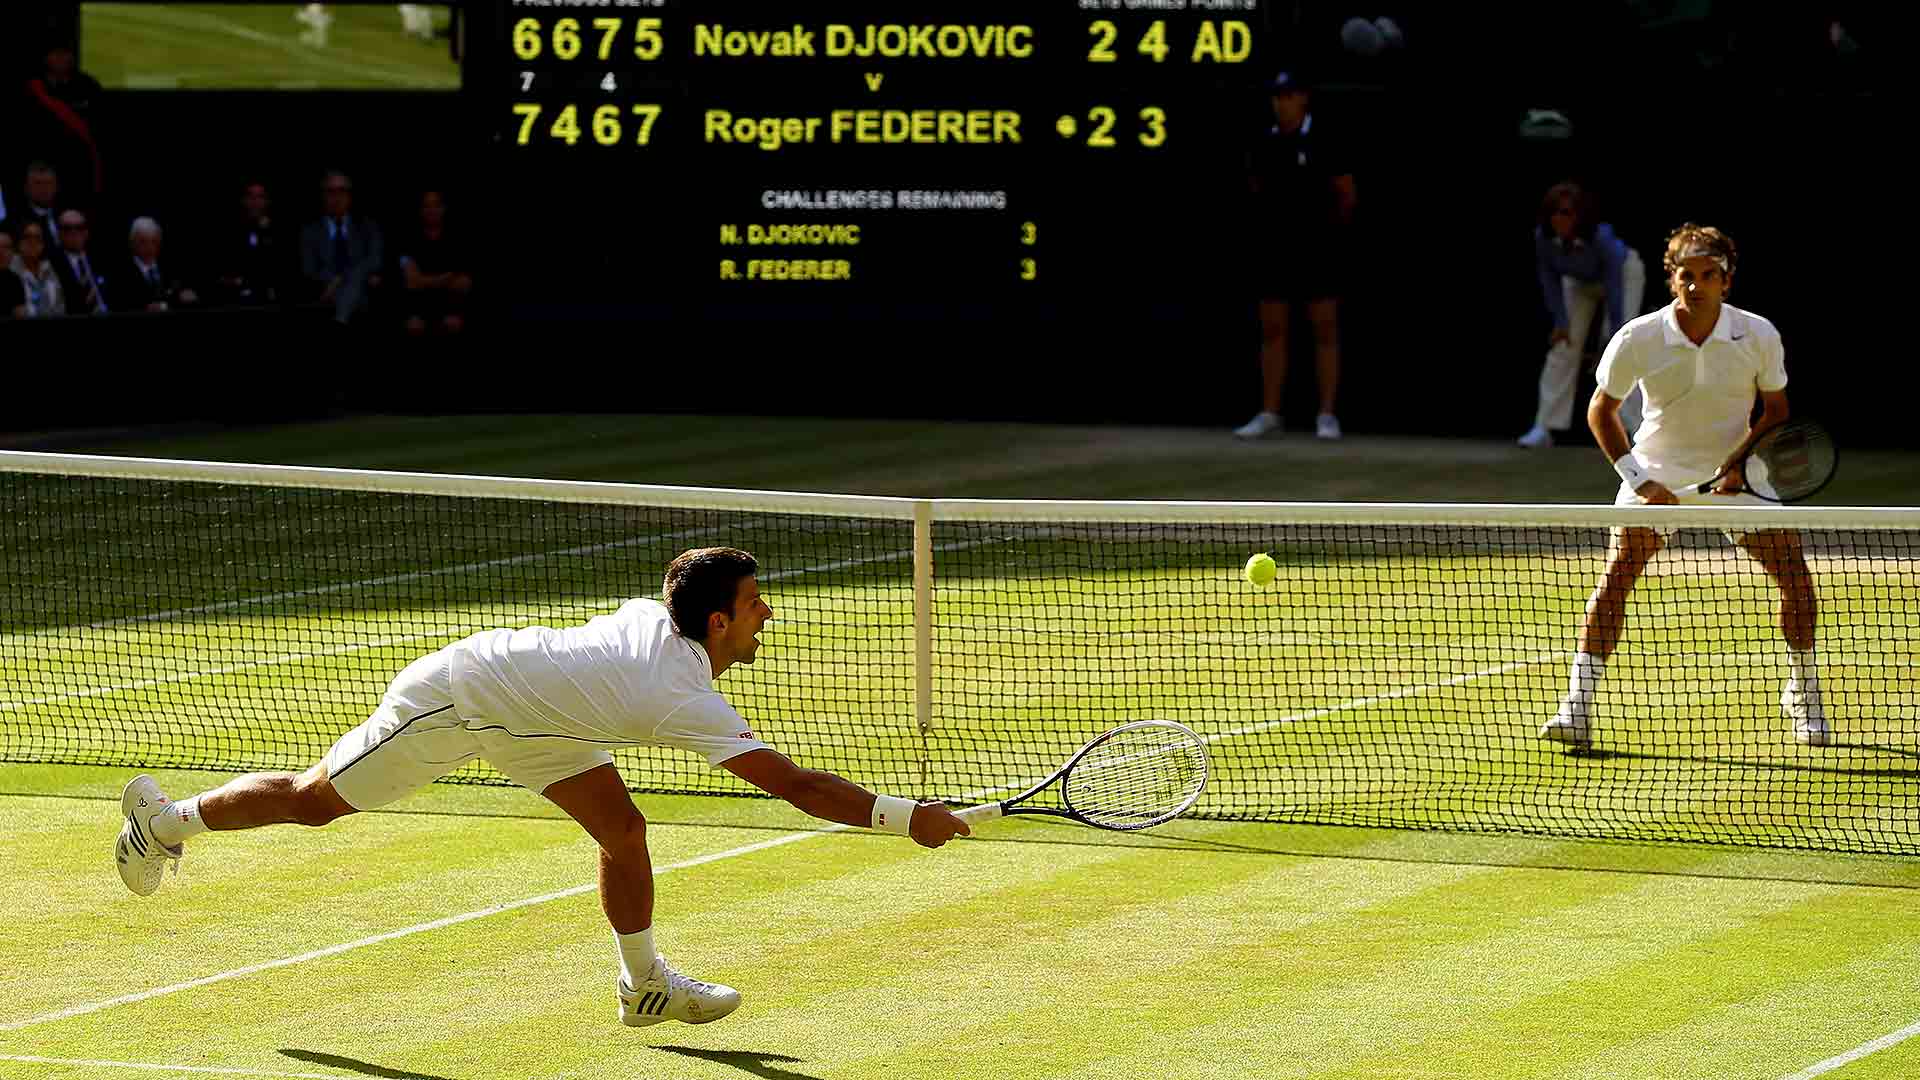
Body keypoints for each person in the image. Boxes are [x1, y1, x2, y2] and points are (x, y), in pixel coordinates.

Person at [114, 547, 973, 1028]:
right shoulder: (677, 691)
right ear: (716, 623)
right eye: (755, 604)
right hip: (459, 700)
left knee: (624, 833)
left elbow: (682, 575)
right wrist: (909, 820)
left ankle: (643, 987)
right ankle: (166, 821)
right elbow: (796, 787)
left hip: (541, 723)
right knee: (313, 803)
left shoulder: (668, 622)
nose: (767, 615)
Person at [1539, 224, 1827, 750]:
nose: (1696, 286)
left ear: (1726, 280)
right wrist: (1639, 477)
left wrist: (1739, 463)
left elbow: (1777, 410)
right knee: (1619, 575)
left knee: (1796, 579)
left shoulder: (1758, 334)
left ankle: (1804, 693)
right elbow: (1600, 410)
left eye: (1708, 275)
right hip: (1657, 470)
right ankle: (1575, 708)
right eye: (1686, 276)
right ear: (1672, 280)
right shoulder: (1638, 337)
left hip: (1738, 474)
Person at [1234, 69, 1357, 442]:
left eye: (1287, 96)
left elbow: (1347, 193)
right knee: (1272, 330)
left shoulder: (1325, 138)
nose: (1280, 103)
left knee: (1325, 331)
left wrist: (1324, 233)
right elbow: (1255, 188)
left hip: (1319, 249)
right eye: (1276, 97)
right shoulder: (1264, 142)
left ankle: (1327, 414)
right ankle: (1271, 412)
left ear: (1303, 98)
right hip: (1275, 250)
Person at [1519, 182, 1647, 449]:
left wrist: (1613, 334)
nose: (1559, 219)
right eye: (1555, 212)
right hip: (1579, 282)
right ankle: (1544, 427)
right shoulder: (1543, 238)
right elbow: (1549, 279)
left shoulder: (1601, 239)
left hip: (1622, 276)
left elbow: (1613, 284)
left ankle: (1635, 430)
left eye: (1566, 212)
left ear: (1579, 215)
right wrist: (1561, 322)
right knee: (1563, 348)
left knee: (1622, 350)